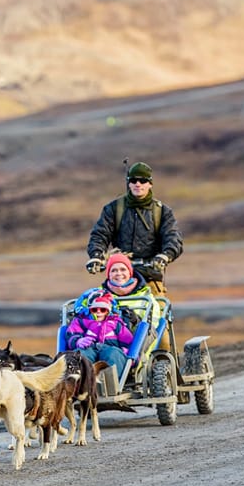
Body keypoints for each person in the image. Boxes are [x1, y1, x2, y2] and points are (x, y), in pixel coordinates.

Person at [85, 160, 183, 296]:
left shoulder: (162, 211)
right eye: (134, 180)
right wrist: (96, 256)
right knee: (104, 310)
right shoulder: (114, 209)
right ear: (128, 183)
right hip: (119, 277)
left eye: (142, 180)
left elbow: (173, 237)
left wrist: (165, 256)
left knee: (155, 311)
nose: (138, 184)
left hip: (150, 277)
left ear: (150, 184)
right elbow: (100, 234)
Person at [98, 252, 164, 352]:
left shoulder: (146, 298)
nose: (119, 273)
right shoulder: (98, 295)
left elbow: (151, 332)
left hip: (133, 349)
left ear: (130, 272)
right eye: (114, 270)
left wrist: (135, 320)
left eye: (123, 269)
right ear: (109, 275)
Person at [63, 292, 133, 376]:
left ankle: (110, 383)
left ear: (108, 311)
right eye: (94, 310)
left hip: (110, 348)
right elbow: (72, 334)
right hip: (88, 348)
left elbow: (128, 340)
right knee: (80, 355)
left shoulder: (116, 323)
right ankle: (82, 383)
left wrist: (126, 350)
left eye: (103, 310)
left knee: (114, 355)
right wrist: (78, 341)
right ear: (89, 310)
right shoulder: (81, 321)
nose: (98, 312)